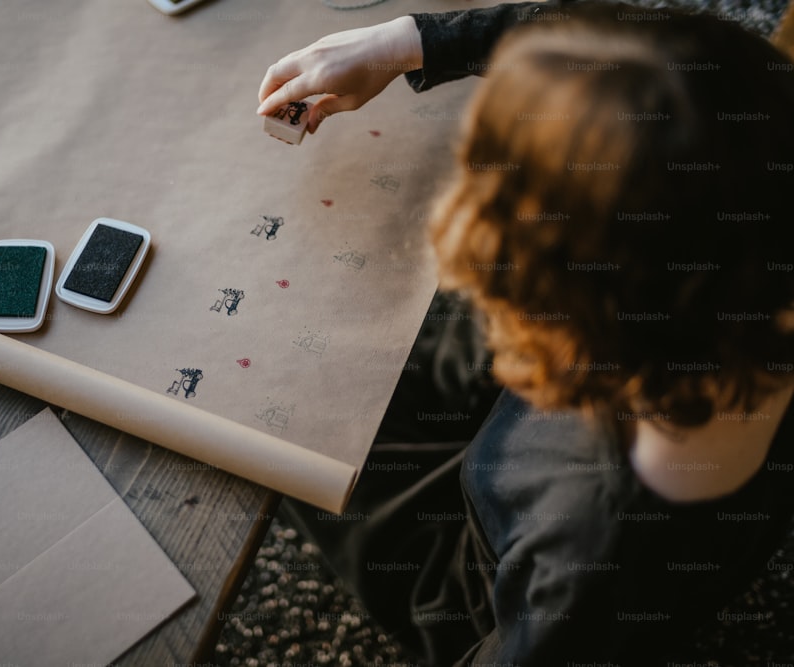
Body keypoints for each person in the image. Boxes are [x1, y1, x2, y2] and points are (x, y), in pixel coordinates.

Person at [257, 2, 794, 665]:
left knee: (274, 397)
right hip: (527, 450)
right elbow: (634, 53)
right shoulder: (765, 135)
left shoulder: (591, 557)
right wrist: (410, 42)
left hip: (461, 569)